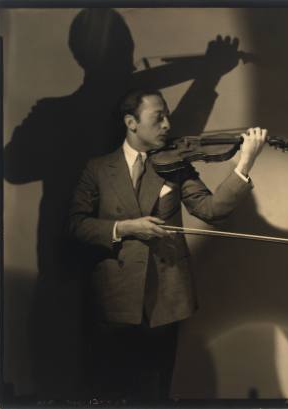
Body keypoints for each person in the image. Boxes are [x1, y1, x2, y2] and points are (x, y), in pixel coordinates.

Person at [68, 88, 267, 402]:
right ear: (131, 122)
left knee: (156, 390)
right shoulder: (98, 169)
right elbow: (77, 225)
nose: (167, 125)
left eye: (167, 116)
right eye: (158, 117)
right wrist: (126, 227)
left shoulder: (177, 166)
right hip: (114, 295)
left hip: (164, 296)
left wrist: (244, 164)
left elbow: (212, 210)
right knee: (110, 388)